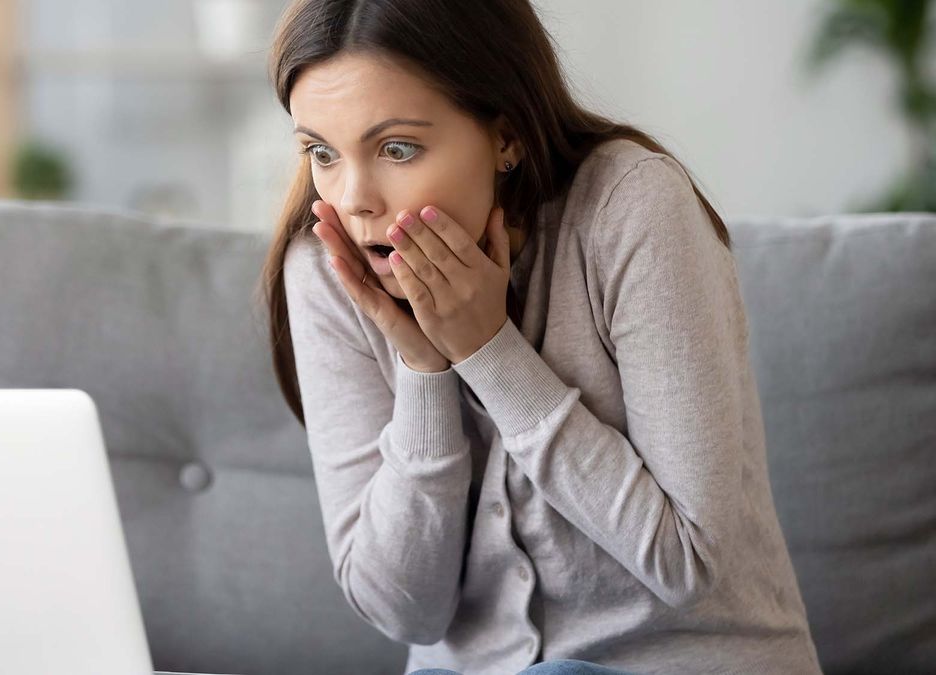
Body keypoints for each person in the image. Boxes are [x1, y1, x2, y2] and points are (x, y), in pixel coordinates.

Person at [259, 1, 824, 673]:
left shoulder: (631, 208)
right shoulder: (327, 267)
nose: (354, 200)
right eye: (321, 152)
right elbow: (404, 611)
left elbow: (684, 558)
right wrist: (423, 368)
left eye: (397, 148)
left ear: (507, 137)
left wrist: (489, 352)